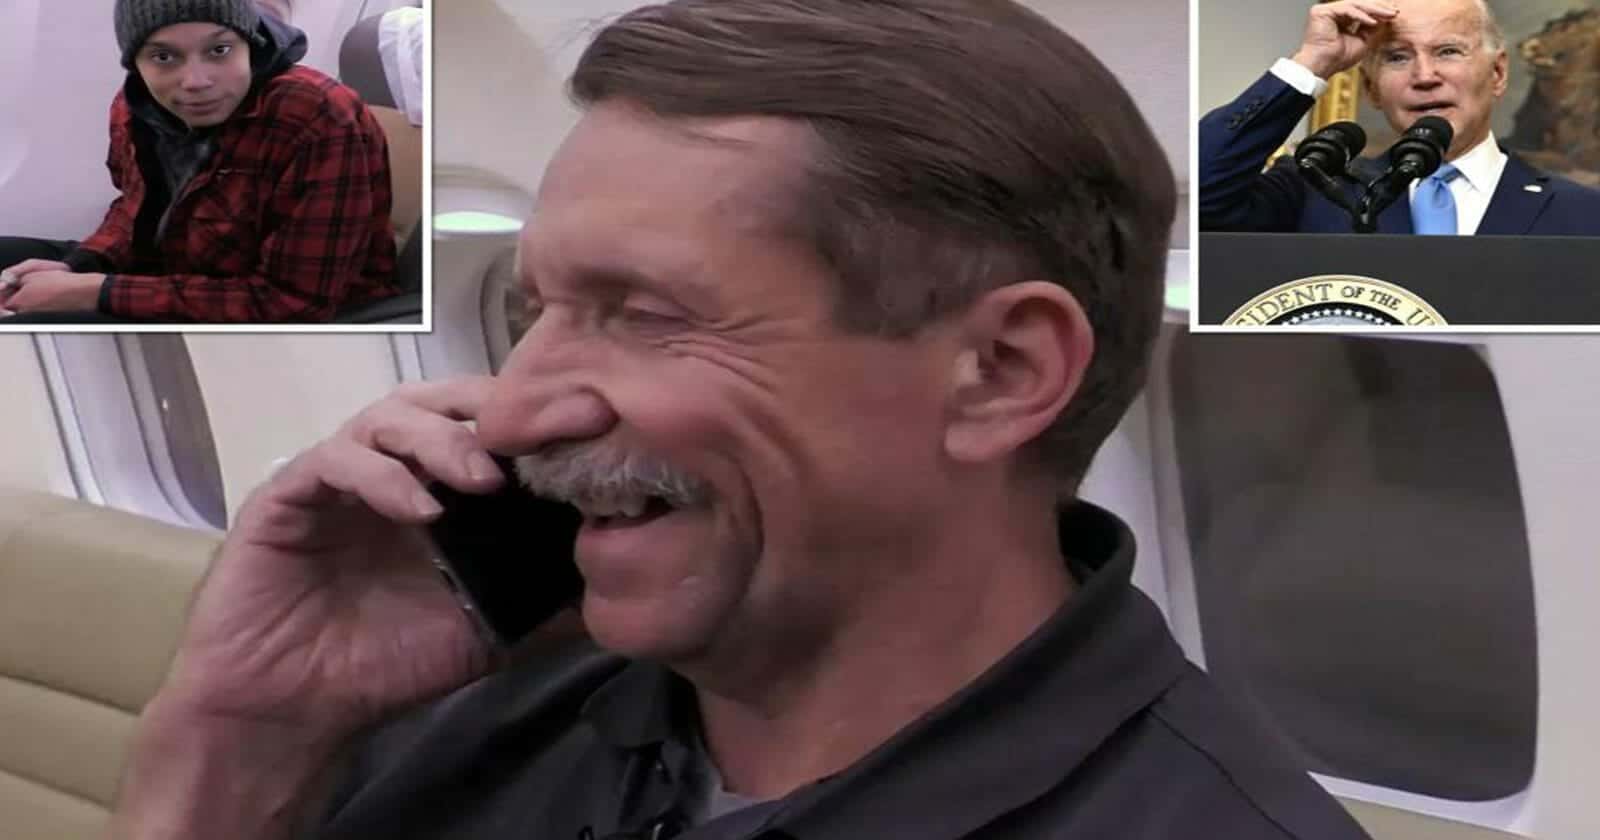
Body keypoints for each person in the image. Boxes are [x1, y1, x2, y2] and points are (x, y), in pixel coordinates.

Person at [110, 2, 1373, 838]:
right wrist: (244, 737)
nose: (517, 407)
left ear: (998, 371)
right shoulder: (479, 719)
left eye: (645, 313)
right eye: (533, 308)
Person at [0, 0, 398, 324]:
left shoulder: (317, 115)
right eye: (163, 57)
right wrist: (80, 265)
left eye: (219, 50)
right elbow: (131, 210)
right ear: (136, 63)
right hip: (172, 272)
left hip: (277, 309)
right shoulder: (135, 106)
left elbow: (295, 302)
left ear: (250, 43)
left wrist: (96, 292)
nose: (195, 81)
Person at [1197, 0, 1600, 235]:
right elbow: (1203, 194)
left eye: (1448, 52)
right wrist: (1311, 62)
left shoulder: (1583, 213)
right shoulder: (1315, 190)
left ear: (1497, 73)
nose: (1425, 76)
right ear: (1371, 90)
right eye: (1397, 57)